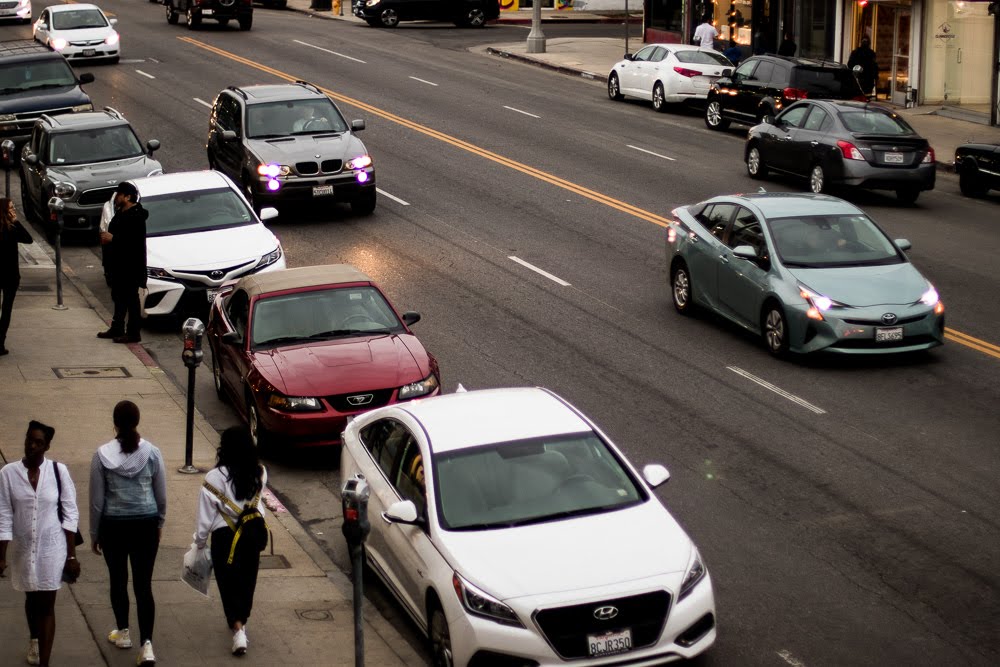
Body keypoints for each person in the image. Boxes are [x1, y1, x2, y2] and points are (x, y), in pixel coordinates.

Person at [89, 400, 166, 667]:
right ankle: (147, 645)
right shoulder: (152, 453)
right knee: (143, 586)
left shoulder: (102, 455)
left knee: (118, 580)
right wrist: (159, 523)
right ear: (137, 421)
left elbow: (97, 500)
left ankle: (122, 632)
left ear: (115, 423)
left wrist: (95, 532)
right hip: (145, 523)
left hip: (114, 526)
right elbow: (161, 495)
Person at [0, 420, 80, 667]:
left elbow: (70, 514)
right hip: (24, 550)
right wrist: (1, 555)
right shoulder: (8, 474)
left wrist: (71, 556)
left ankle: (44, 661)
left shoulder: (58, 471)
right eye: (29, 440)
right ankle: (34, 638)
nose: (32, 446)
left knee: (47, 605)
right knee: (31, 599)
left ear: (47, 446)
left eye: (38, 443)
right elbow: (4, 515)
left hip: (52, 550)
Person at [194, 426, 268, 657]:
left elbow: (205, 517)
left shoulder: (213, 478)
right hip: (252, 534)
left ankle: (237, 628)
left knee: (228, 583)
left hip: (225, 537)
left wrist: (199, 542)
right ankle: (241, 622)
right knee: (247, 580)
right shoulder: (260, 472)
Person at [97, 182, 147, 344]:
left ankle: (133, 333)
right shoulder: (121, 213)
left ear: (128, 197)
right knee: (118, 297)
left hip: (130, 267)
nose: (116, 197)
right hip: (117, 266)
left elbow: (134, 243)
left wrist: (113, 239)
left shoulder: (136, 216)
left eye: (119, 195)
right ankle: (117, 327)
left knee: (131, 299)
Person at [0, 197, 33, 356]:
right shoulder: (12, 229)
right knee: (6, 310)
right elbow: (28, 239)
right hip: (11, 276)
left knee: (5, 310)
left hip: (8, 276)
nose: (13, 210)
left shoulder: (9, 229)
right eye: (11, 208)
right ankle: (0, 342)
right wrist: (17, 221)